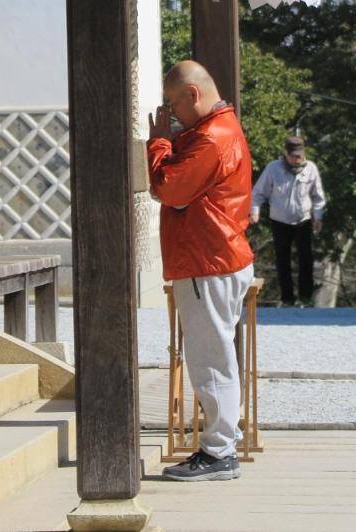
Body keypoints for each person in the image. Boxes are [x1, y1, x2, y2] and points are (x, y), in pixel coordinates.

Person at [147, 60, 255, 482]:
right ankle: (221, 443)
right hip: (216, 257)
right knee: (217, 355)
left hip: (205, 260)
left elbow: (171, 189)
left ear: (193, 95)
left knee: (210, 359)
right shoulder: (216, 130)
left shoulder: (212, 137)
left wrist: (158, 144)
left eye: (174, 104)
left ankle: (218, 451)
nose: (172, 115)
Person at [249, 135, 326, 307]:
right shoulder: (273, 168)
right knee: (282, 260)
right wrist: (255, 211)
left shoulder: (311, 169)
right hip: (280, 221)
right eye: (293, 156)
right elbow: (258, 193)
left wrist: (318, 216)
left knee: (306, 259)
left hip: (303, 221)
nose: (297, 159)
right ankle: (287, 298)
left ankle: (306, 298)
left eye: (299, 155)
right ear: (286, 154)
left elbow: (318, 196)